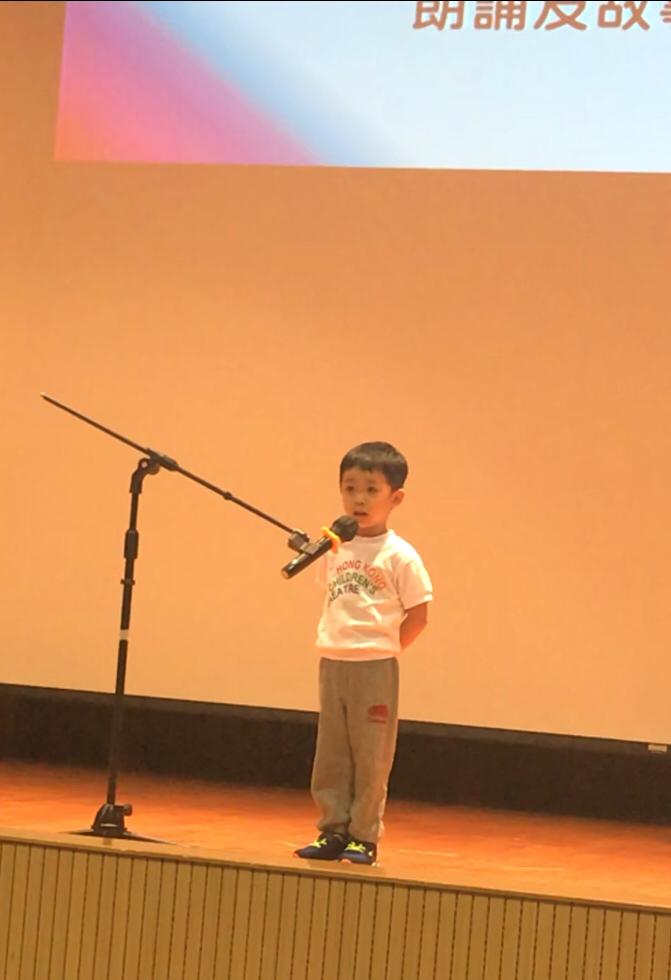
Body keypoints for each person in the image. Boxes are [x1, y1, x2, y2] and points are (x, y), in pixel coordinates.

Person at [295, 441, 433, 866]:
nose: (359, 499)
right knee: (332, 753)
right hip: (333, 661)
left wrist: (386, 649)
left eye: (371, 490)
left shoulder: (400, 555)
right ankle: (332, 829)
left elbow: (419, 615)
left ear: (396, 498)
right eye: (350, 488)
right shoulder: (334, 548)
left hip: (374, 666)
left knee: (371, 755)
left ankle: (363, 836)